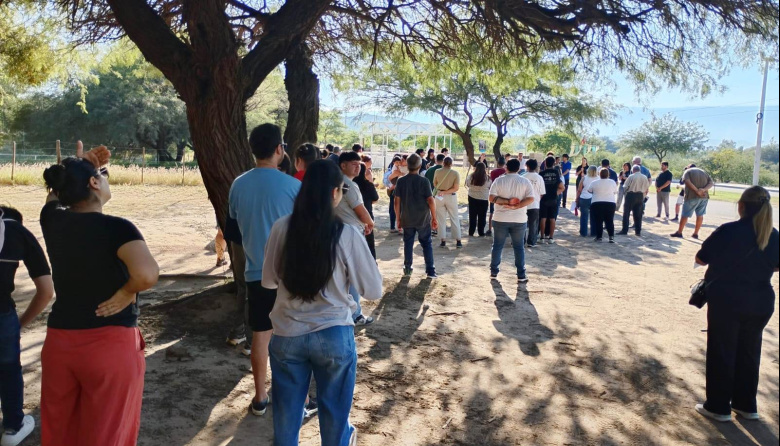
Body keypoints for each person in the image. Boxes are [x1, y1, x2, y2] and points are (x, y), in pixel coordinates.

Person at [40, 147, 159, 445]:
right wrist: (126, 291)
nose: (105, 180)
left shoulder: (52, 221)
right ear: (94, 184)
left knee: (60, 431)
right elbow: (146, 275)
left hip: (59, 344)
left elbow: (55, 193)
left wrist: (83, 167)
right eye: (101, 176)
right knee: (107, 434)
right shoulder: (117, 228)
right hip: (109, 344)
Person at [262, 160, 383, 445]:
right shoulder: (346, 233)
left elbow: (268, 281)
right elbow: (374, 290)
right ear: (334, 193)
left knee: (286, 416)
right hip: (334, 335)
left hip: (287, 334)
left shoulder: (282, 227)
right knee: (335, 416)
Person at [229, 124, 301, 417]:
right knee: (293, 335)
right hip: (289, 274)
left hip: (255, 272)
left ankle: (260, 397)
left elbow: (232, 230)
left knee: (260, 333)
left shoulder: (238, 184)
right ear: (279, 150)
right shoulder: (294, 187)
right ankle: (292, 396)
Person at [693, 186, 779, 423]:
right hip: (761, 300)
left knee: (722, 351)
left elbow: (701, 258)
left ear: (741, 206)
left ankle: (718, 406)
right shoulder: (773, 234)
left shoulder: (728, 231)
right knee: (749, 352)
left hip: (727, 300)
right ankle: (746, 404)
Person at [0, 207, 54, 446]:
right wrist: (20, 323)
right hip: (2, 315)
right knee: (9, 369)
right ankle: (13, 427)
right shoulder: (17, 232)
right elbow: (46, 291)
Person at [336, 151, 376, 326]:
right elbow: (360, 209)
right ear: (343, 165)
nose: (358, 167)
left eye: (359, 164)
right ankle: (355, 314)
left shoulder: (338, 183)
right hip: (351, 234)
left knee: (343, 275)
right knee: (353, 274)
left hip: (339, 232)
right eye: (354, 163)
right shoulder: (349, 186)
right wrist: (370, 223)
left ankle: (347, 310)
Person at [488, 159, 535, 282]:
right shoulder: (525, 181)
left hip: (500, 218)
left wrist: (506, 202)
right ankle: (521, 274)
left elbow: (491, 198)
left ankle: (493, 271)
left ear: (506, 167)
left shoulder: (499, 180)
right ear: (518, 168)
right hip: (519, 219)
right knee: (519, 247)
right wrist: (517, 205)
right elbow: (530, 198)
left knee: (497, 245)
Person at [394, 154, 438, 278]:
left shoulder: (401, 181)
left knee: (408, 243)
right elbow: (430, 200)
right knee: (426, 243)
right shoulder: (424, 181)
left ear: (407, 165)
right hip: (423, 218)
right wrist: (434, 217)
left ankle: (408, 268)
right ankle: (430, 270)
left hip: (407, 217)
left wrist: (398, 218)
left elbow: (396, 201)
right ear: (420, 166)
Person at [671, 164, 714, 239]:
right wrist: (703, 190)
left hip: (691, 196)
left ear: (688, 167)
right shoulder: (704, 172)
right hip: (704, 197)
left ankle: (679, 232)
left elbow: (687, 181)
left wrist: (697, 191)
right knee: (700, 215)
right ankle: (695, 233)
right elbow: (711, 183)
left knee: (685, 215)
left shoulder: (687, 171)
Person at [433, 156, 462, 248]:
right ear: (451, 163)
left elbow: (435, 183)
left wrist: (442, 191)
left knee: (441, 219)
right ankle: (458, 240)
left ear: (443, 163)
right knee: (454, 217)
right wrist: (446, 191)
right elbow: (456, 188)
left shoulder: (437, 171)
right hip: (451, 196)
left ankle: (443, 240)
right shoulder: (455, 173)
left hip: (439, 195)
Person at [354, 163, 379, 259]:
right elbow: (375, 198)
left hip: (354, 216)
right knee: (369, 243)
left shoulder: (350, 184)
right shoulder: (368, 184)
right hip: (367, 214)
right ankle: (373, 263)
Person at [587, 168, 618, 242]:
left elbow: (589, 190)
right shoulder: (612, 182)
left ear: (599, 174)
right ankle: (611, 237)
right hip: (610, 202)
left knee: (598, 220)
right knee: (609, 220)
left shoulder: (594, 182)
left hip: (597, 202)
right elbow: (615, 191)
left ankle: (599, 236)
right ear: (608, 174)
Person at [539, 156, 565, 244]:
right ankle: (551, 237)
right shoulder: (556, 172)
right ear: (554, 163)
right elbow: (562, 187)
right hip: (553, 199)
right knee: (552, 218)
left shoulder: (541, 173)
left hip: (544, 198)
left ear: (545, 163)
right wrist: (555, 193)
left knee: (543, 218)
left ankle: (542, 237)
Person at [619, 165, 650, 236]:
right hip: (640, 195)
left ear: (633, 170)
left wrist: (627, 192)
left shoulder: (631, 176)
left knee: (626, 213)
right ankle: (638, 231)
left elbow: (625, 186)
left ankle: (624, 230)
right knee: (638, 214)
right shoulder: (644, 177)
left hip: (631, 195)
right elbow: (646, 187)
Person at [522, 159, 546, 247]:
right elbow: (542, 192)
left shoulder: (523, 177)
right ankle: (531, 241)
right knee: (533, 224)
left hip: (523, 204)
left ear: (527, 166)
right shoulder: (539, 178)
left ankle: (521, 240)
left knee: (522, 223)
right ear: (536, 167)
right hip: (535, 203)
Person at [465, 161, 492, 237]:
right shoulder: (487, 178)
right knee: (482, 216)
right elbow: (490, 187)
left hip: (472, 197)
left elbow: (467, 184)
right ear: (484, 169)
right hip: (483, 198)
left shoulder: (471, 176)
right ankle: (481, 231)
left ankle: (471, 231)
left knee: (472, 215)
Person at [487, 157, 507, 236]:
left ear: (498, 163)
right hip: (503, 194)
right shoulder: (505, 172)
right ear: (504, 164)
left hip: (494, 193)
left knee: (492, 212)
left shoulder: (493, 172)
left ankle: (489, 228)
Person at [576, 166, 598, 237]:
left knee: (584, 216)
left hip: (584, 197)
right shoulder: (598, 178)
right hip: (594, 198)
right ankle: (594, 232)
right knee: (594, 216)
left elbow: (579, 189)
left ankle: (583, 232)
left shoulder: (584, 178)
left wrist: (577, 198)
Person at [385, 156, 403, 233]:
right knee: (395, 208)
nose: (398, 163)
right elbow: (390, 178)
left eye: (399, 162)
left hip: (395, 190)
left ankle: (396, 226)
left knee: (395, 208)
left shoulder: (395, 169)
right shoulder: (394, 170)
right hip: (394, 191)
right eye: (397, 162)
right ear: (393, 163)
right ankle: (395, 226)